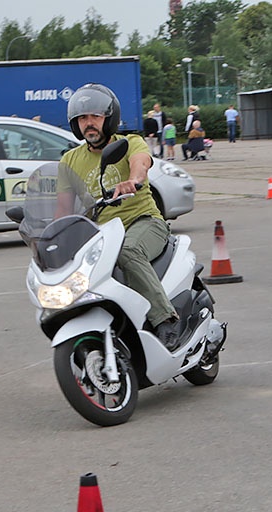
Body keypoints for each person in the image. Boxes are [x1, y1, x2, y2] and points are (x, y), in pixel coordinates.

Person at [57, 83, 180, 349]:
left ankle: (165, 319)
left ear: (109, 119)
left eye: (95, 117)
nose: (88, 123)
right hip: (101, 236)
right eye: (82, 118)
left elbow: (141, 163)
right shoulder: (69, 160)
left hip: (144, 222)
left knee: (128, 251)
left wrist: (133, 181)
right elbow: (63, 211)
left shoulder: (130, 142)